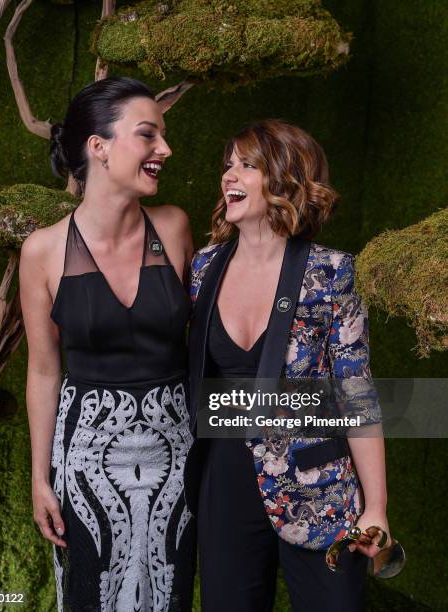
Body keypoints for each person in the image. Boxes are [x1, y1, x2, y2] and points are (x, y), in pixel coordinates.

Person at [185, 119, 390, 612]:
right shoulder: (202, 267)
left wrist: (377, 506)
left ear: (283, 179)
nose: (229, 175)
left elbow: (355, 394)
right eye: (227, 165)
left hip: (317, 486)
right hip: (225, 480)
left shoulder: (333, 272)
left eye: (247, 165)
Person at [19, 76, 196, 612]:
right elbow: (44, 372)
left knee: (169, 593)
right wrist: (39, 476)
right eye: (148, 135)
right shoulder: (42, 251)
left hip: (176, 457)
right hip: (85, 458)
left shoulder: (176, 227)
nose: (165, 149)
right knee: (90, 595)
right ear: (98, 147)